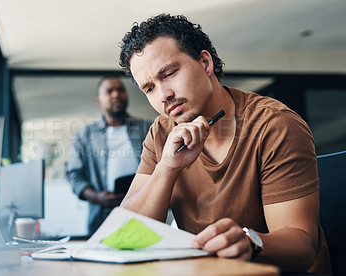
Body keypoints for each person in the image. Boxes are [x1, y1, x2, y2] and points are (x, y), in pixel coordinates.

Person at [118, 14, 331, 274]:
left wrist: (250, 242)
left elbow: (303, 246)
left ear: (205, 63)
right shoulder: (162, 133)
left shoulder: (274, 125)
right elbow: (127, 233)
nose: (164, 95)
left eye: (170, 73)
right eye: (149, 88)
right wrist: (167, 167)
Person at [66, 76, 152, 235]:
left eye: (121, 90)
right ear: (99, 100)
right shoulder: (84, 135)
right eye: (109, 91)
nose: (116, 95)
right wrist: (98, 197)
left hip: (144, 210)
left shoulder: (148, 128)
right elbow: (74, 175)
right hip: (102, 215)